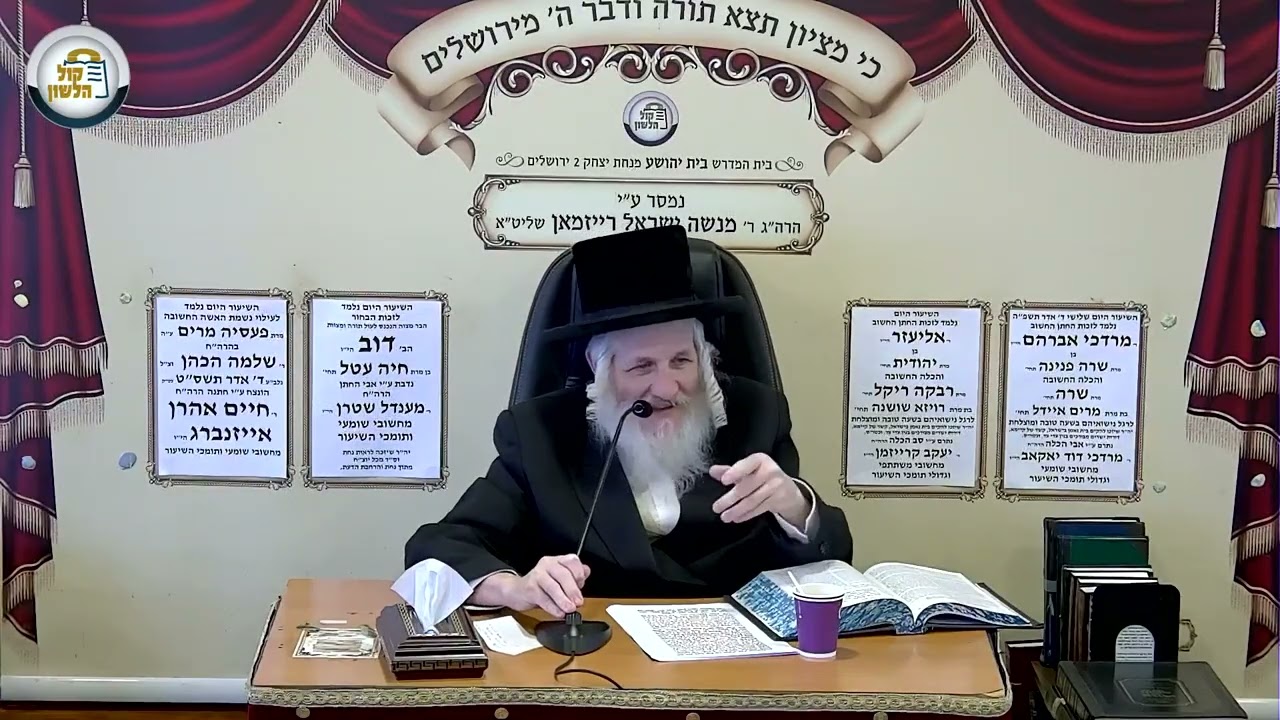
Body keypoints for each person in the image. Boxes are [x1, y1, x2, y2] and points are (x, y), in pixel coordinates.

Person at [404, 225, 853, 618]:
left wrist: (797, 507)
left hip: (735, 659)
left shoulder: (757, 414)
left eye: (681, 360)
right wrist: (514, 587)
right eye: (642, 367)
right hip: (594, 654)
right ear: (601, 370)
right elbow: (440, 547)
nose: (667, 388)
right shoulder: (541, 433)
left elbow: (831, 556)